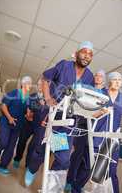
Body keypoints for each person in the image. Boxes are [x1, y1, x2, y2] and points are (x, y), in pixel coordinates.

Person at [24, 41, 94, 189]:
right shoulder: (64, 65)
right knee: (40, 150)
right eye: (84, 52)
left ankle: (52, 183)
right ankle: (32, 169)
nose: (86, 55)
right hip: (51, 116)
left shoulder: (89, 77)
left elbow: (87, 99)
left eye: (90, 54)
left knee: (63, 159)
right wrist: (48, 98)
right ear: (76, 54)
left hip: (66, 122)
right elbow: (45, 79)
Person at [69, 72, 122, 193]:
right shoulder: (99, 93)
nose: (118, 82)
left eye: (119, 80)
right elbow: (88, 114)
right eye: (114, 79)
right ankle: (75, 189)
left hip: (112, 139)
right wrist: (100, 113)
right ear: (109, 81)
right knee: (87, 168)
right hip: (95, 136)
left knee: (111, 171)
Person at [65, 69, 106, 193]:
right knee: (75, 156)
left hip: (95, 130)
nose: (98, 78)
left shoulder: (105, 94)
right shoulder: (87, 88)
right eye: (97, 75)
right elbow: (77, 97)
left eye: (101, 76)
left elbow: (103, 111)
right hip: (82, 126)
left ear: (104, 79)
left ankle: (77, 185)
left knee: (89, 164)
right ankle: (69, 182)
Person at [0, 76, 32, 175]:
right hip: (7, 123)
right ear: (23, 84)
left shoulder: (28, 98)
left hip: (17, 126)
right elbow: (3, 106)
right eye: (29, 83)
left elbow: (27, 112)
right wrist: (9, 118)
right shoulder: (14, 93)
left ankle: (2, 166)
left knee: (11, 147)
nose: (30, 85)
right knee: (3, 142)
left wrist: (29, 115)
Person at [13, 79, 45, 169]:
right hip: (29, 123)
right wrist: (28, 114)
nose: (39, 86)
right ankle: (17, 159)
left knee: (33, 146)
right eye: (38, 84)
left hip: (39, 126)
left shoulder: (47, 98)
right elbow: (27, 109)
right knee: (22, 141)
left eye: (41, 84)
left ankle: (28, 165)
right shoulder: (32, 96)